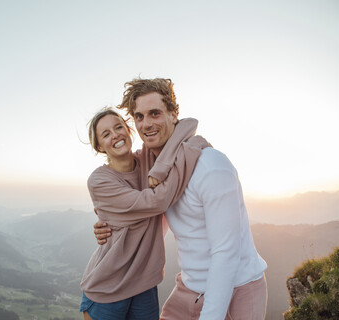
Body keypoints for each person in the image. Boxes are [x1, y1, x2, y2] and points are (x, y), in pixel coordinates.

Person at [94, 78, 268, 319]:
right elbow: (144, 212)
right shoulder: (154, 169)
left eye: (155, 113)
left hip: (237, 289)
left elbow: (225, 253)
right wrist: (111, 226)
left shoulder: (212, 166)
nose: (146, 124)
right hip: (189, 288)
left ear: (173, 114)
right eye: (139, 116)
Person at [80, 107, 209, 320]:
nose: (115, 135)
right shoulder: (99, 181)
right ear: (99, 146)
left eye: (118, 127)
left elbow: (188, 124)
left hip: (144, 285)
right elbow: (158, 201)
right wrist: (192, 150)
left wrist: (190, 145)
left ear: (129, 130)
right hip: (108, 287)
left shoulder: (149, 159)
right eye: (106, 134)